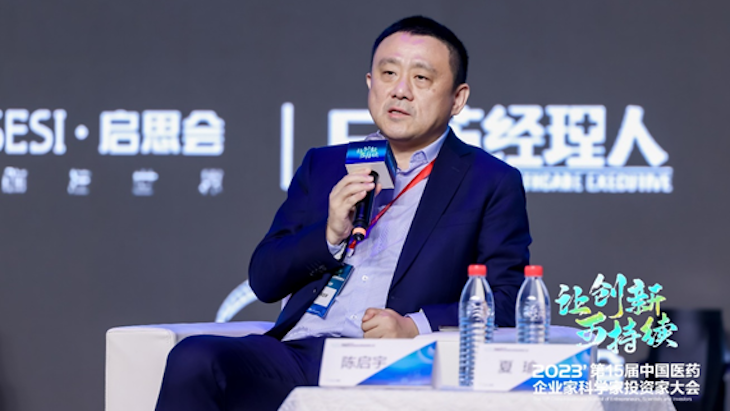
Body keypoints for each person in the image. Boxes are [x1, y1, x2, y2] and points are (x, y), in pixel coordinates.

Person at [156, 15, 530, 411]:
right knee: (195, 358)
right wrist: (329, 235)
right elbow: (264, 279)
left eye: (421, 78)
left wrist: (414, 327)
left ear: (457, 99)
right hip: (299, 355)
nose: (400, 90)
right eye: (388, 73)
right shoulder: (325, 165)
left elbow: (508, 300)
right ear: (370, 83)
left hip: (396, 363)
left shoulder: (488, 180)